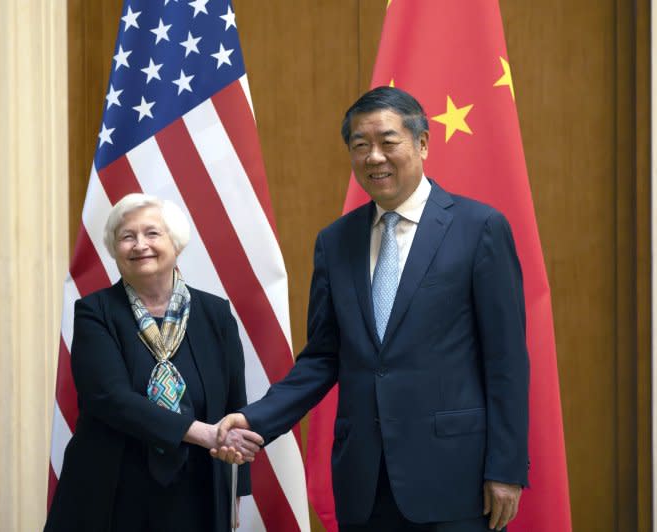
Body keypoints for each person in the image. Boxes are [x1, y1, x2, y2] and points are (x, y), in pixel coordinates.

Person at [213, 87, 529, 531]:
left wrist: (507, 468)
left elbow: (506, 361)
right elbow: (323, 358)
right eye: (360, 146)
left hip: (455, 478)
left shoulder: (479, 229)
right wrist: (254, 418)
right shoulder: (335, 241)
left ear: (421, 144)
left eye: (388, 141)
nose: (374, 157)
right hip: (364, 481)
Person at [45, 193, 263, 532]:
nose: (139, 245)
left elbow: (235, 403)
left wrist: (236, 489)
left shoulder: (215, 313)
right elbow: (109, 399)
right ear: (115, 249)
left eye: (152, 234)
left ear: (176, 244)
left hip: (200, 489)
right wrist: (200, 433)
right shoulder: (94, 312)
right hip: (113, 490)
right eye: (127, 236)